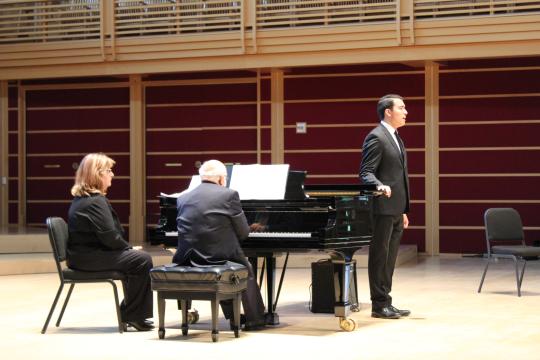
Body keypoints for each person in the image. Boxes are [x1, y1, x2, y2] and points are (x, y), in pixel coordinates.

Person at [172, 159, 268, 330]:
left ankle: (233, 317)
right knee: (245, 269)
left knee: (228, 261)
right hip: (217, 258)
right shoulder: (229, 195)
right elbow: (243, 233)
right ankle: (256, 318)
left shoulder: (182, 197)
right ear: (222, 179)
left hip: (187, 258)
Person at [67, 153, 154, 331]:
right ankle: (132, 315)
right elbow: (109, 236)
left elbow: (108, 236)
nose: (112, 174)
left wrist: (128, 250)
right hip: (88, 258)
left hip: (84, 255)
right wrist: (129, 249)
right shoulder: (94, 202)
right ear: (97, 174)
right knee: (141, 260)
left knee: (137, 259)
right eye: (109, 171)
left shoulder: (86, 199)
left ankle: (132, 314)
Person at [359, 94, 411, 319]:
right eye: (401, 107)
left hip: (396, 209)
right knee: (380, 256)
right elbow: (365, 172)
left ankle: (386, 300)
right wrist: (379, 185)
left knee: (390, 259)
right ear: (388, 112)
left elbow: (400, 176)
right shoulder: (377, 137)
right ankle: (379, 305)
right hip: (381, 208)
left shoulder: (396, 137)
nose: (406, 111)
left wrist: (404, 209)